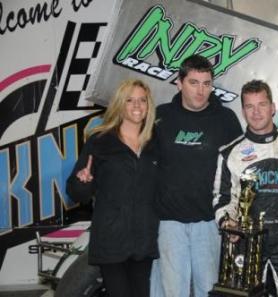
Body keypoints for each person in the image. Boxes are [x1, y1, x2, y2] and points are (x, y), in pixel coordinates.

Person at [151, 54, 242, 297]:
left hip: (209, 223)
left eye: (206, 83)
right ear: (179, 83)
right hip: (169, 223)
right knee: (173, 292)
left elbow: (237, 172)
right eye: (194, 83)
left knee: (208, 290)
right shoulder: (161, 117)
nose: (201, 90)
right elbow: (142, 163)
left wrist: (234, 215)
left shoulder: (226, 119)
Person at [213, 80, 278, 297]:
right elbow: (222, 198)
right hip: (247, 240)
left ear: (272, 107)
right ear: (243, 111)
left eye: (262, 105)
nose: (256, 112)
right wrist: (228, 223)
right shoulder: (230, 153)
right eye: (249, 106)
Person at [66, 79, 159, 297]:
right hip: (110, 240)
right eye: (130, 100)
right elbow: (76, 193)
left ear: (148, 105)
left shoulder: (156, 141)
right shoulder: (99, 141)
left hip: (144, 242)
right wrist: (82, 181)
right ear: (120, 104)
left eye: (142, 100)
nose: (137, 106)